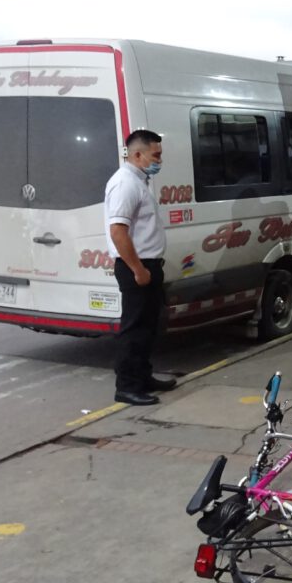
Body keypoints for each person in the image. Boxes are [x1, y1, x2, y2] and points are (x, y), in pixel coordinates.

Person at [105, 129, 176, 406]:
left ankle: (143, 376)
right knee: (134, 329)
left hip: (147, 265)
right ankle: (127, 386)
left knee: (148, 327)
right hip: (137, 267)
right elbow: (118, 232)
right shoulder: (125, 184)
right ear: (137, 154)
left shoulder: (139, 181)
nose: (159, 160)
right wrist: (138, 270)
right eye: (155, 155)